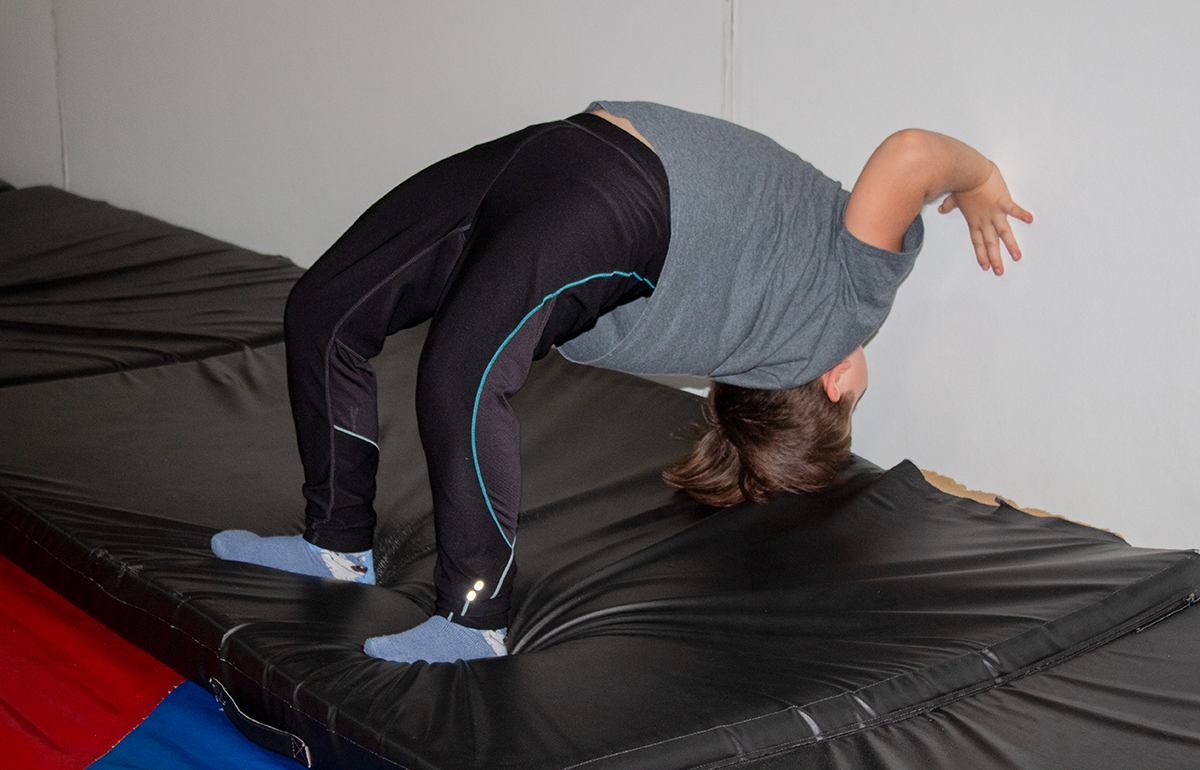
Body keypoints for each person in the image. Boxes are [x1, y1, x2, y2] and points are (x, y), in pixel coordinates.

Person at [211, 101, 1032, 665]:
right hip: (558, 160)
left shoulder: (843, 310)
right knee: (329, 309)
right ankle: (337, 545)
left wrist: (978, 178)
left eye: (856, 399)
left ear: (831, 382)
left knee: (440, 367)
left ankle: (472, 617)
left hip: (608, 183)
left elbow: (912, 153)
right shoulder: (746, 330)